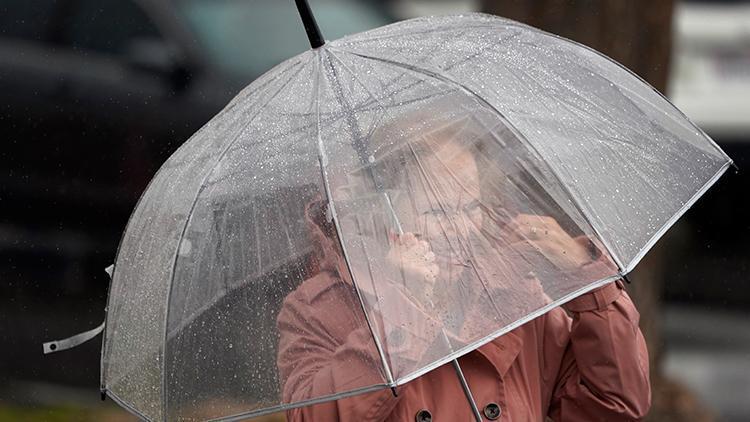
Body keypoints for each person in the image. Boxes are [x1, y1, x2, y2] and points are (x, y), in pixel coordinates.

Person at [276, 107, 651, 421]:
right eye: (437, 211)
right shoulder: (321, 310)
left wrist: (588, 281)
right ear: (383, 213)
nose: (459, 230)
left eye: (470, 207)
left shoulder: (513, 295)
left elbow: (615, 403)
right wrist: (402, 312)